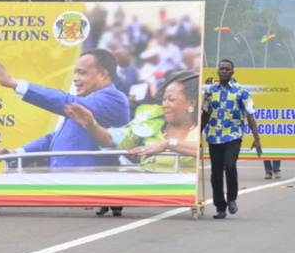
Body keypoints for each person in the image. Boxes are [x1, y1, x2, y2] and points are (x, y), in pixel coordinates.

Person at [66, 70, 201, 217]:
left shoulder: (203, 124)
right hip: (148, 185)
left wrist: (168, 144)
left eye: (172, 100)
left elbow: (204, 150)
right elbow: (112, 140)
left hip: (181, 188)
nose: (165, 105)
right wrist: (91, 125)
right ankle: (110, 201)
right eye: (164, 99)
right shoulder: (151, 120)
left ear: (191, 103)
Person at [0, 49, 130, 169]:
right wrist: (16, 153)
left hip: (89, 189)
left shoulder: (113, 98)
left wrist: (14, 84)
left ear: (103, 75)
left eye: (82, 72)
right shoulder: (87, 101)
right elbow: (55, 138)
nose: (75, 78)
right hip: (67, 188)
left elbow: (69, 102)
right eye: (75, 73)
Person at [201, 59, 262, 219]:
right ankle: (220, 207)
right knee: (215, 174)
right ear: (218, 71)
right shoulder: (210, 91)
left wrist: (257, 139)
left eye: (227, 69)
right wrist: (197, 134)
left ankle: (232, 199)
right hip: (214, 137)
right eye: (222, 69)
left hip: (233, 136)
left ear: (232, 71)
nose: (224, 71)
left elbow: (250, 115)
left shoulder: (241, 91)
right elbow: (205, 114)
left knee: (229, 166)